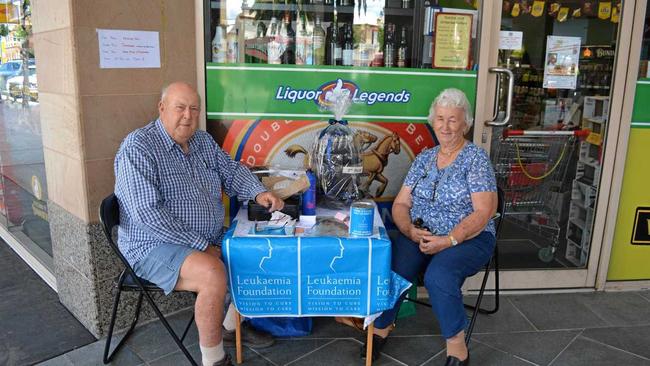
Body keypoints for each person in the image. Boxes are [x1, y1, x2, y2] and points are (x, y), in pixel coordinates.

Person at [114, 82, 284, 366]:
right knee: (212, 273)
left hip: (204, 236)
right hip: (152, 245)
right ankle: (214, 360)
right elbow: (147, 214)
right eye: (180, 107)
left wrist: (258, 192)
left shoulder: (202, 141)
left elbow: (231, 172)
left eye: (194, 109)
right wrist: (203, 246)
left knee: (249, 251)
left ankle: (230, 327)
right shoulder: (138, 147)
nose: (187, 116)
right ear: (162, 108)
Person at [361, 88, 497, 366]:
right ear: (432, 121)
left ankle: (457, 348)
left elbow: (485, 212)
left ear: (465, 124)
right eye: (440, 118)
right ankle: (383, 327)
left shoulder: (476, 159)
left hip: (468, 238)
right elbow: (400, 205)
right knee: (393, 263)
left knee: (439, 275)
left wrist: (448, 240)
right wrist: (410, 231)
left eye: (453, 120)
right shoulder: (424, 158)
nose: (445, 126)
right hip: (421, 233)